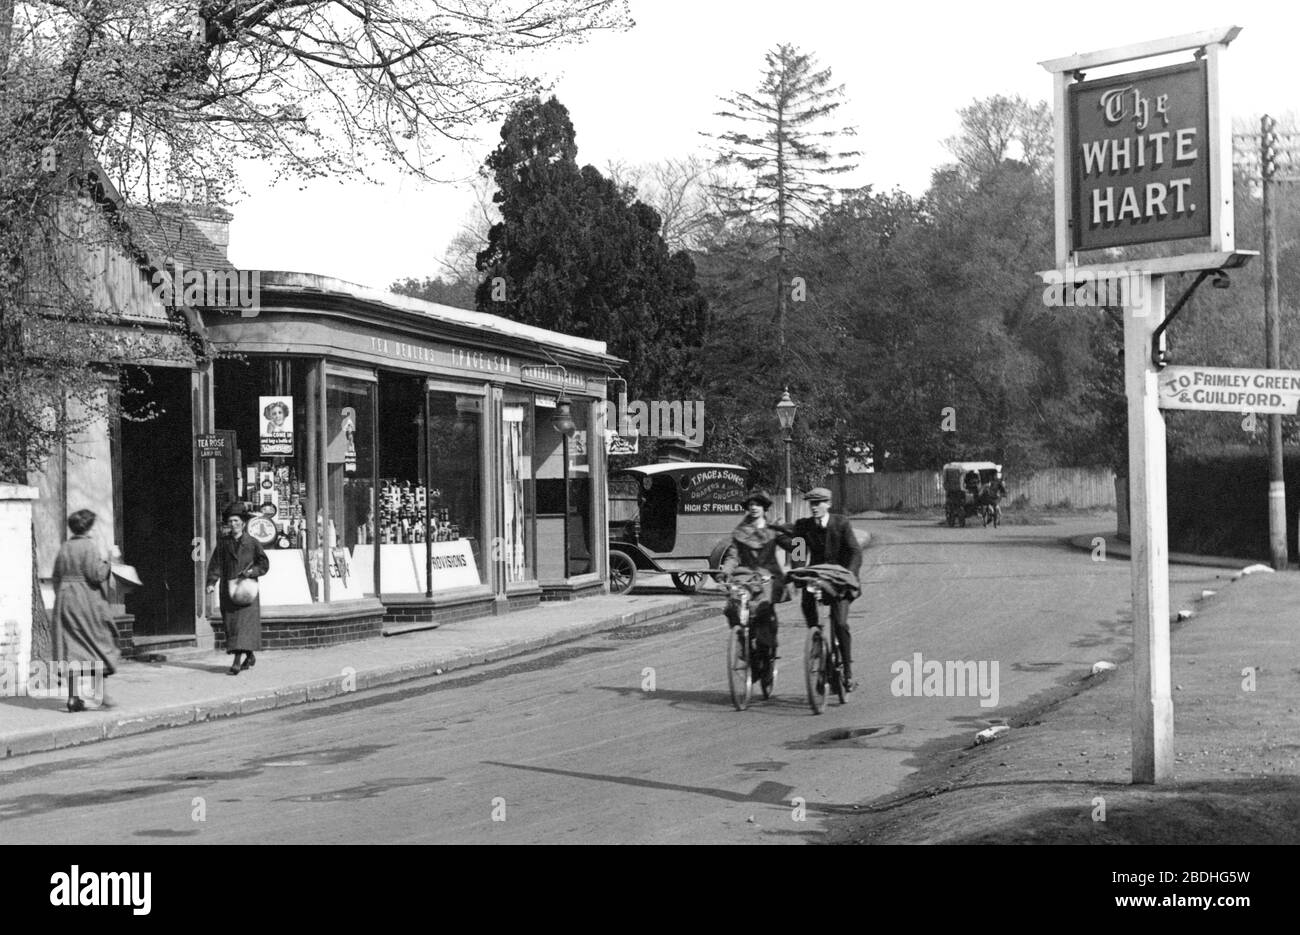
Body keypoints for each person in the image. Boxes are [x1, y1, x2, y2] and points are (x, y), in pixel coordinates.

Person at [791, 487, 863, 690]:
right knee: (812, 618)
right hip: (816, 579)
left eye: (819, 503)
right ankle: (820, 653)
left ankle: (848, 672)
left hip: (840, 581)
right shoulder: (802, 526)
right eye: (812, 504)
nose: (814, 507)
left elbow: (855, 552)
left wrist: (850, 574)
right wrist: (798, 574)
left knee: (840, 624)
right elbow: (798, 554)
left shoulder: (841, 523)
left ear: (828, 504)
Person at [51, 510, 123, 711]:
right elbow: (96, 574)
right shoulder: (89, 547)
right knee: (98, 642)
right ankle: (101, 694)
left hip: (65, 602)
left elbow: (56, 576)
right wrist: (111, 560)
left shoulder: (64, 548)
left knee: (72, 649)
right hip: (86, 602)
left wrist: (64, 596)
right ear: (89, 527)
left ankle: (74, 698)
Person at [718, 491, 792, 684]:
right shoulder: (740, 531)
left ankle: (766, 661)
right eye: (750, 504)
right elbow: (733, 555)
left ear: (764, 508)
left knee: (764, 620)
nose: (753, 507)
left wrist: (799, 567)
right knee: (734, 608)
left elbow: (796, 545)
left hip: (768, 577)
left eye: (757, 504)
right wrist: (725, 571)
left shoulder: (772, 530)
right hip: (745, 575)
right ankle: (744, 646)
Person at [206, 502, 270, 675]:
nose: (233, 524)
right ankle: (249, 655)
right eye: (230, 521)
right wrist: (211, 582)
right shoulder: (223, 544)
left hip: (247, 590)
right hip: (228, 590)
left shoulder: (252, 543)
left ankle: (236, 662)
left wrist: (252, 571)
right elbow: (215, 564)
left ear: (243, 523)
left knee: (242, 626)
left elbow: (264, 564)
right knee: (232, 626)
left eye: (236, 521)